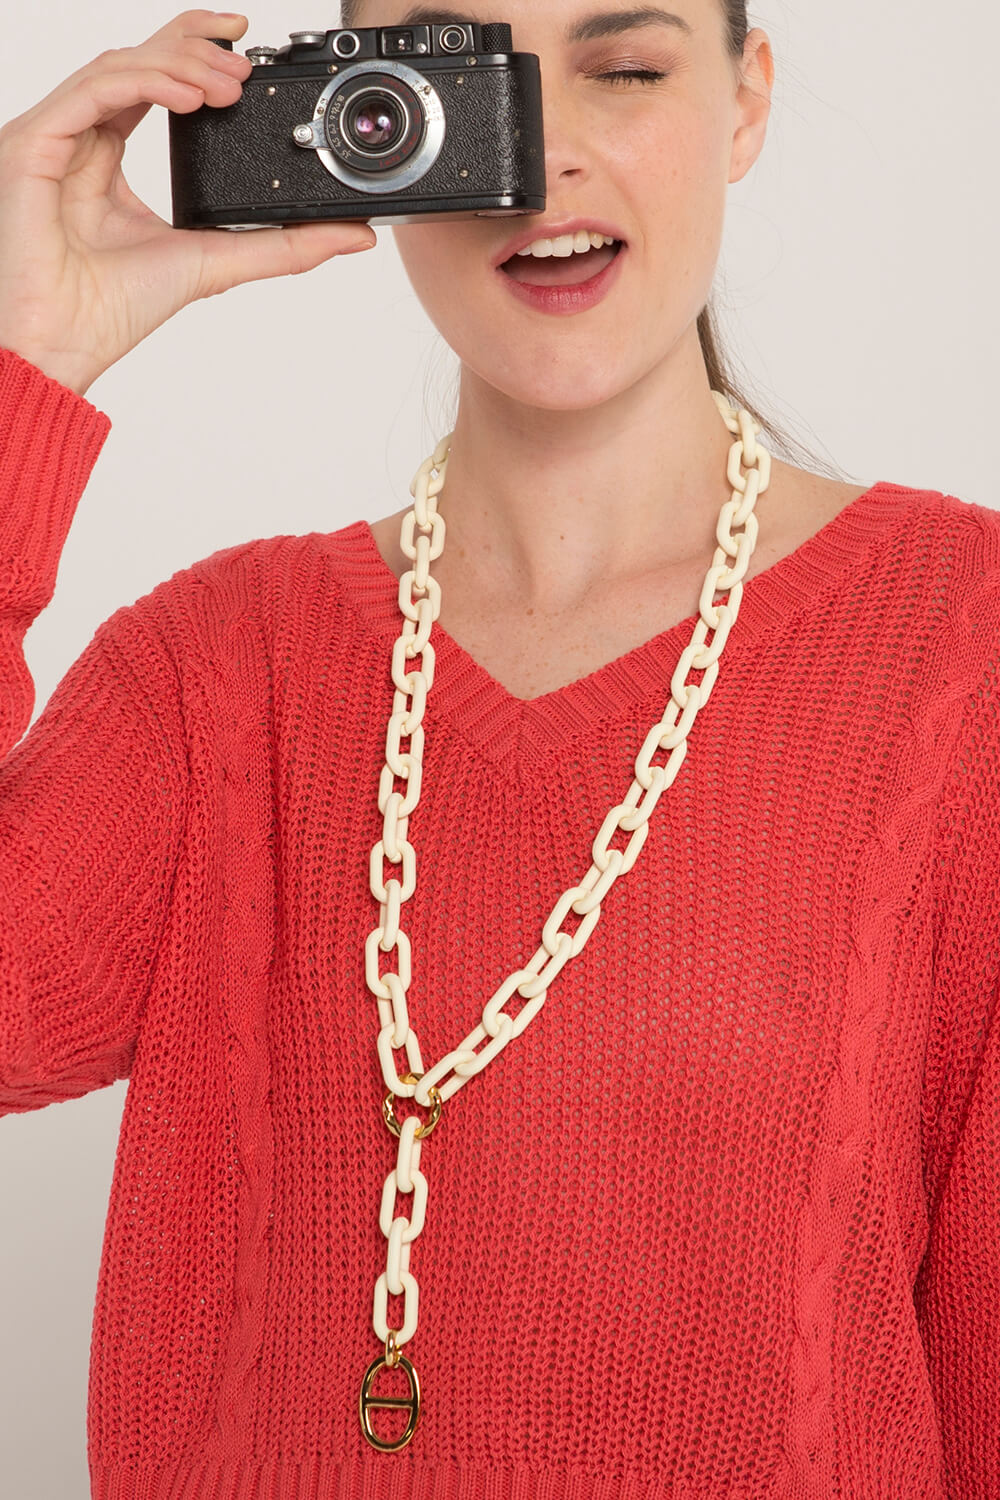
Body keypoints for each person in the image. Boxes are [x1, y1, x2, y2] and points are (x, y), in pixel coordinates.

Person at [0, 2, 996, 1496]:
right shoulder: (212, 670)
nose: (544, 160)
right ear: (348, 131)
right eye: (458, 88)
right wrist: (24, 359)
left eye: (626, 71)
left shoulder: (962, 643)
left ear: (744, 101)